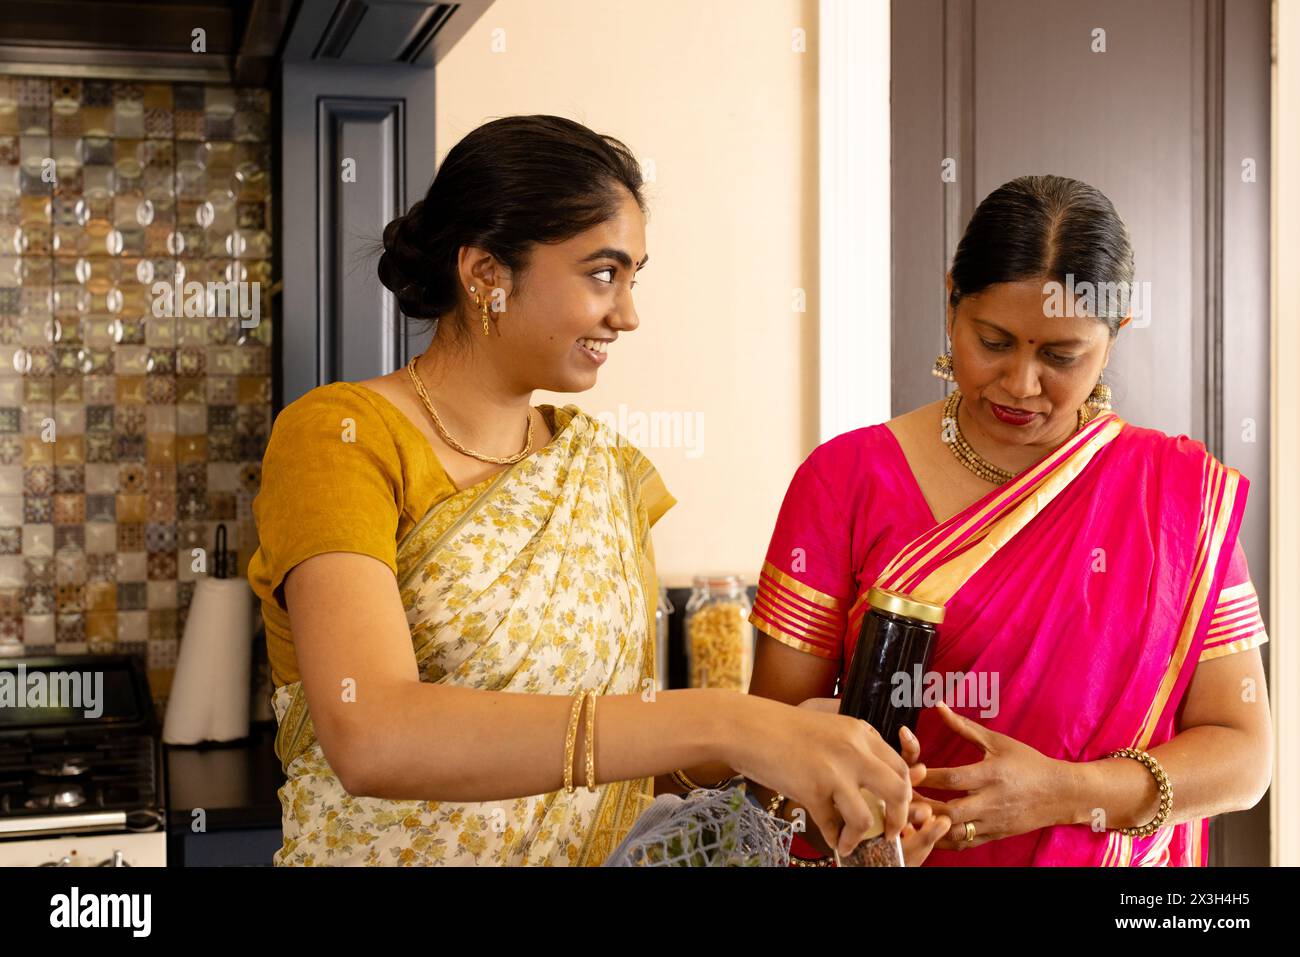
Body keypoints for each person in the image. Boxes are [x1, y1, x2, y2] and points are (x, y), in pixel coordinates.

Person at [247, 115, 924, 865]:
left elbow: (631, 774)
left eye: (635, 277)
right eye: (602, 273)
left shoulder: (602, 469)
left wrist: (797, 751)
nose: (627, 314)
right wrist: (731, 722)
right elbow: (371, 733)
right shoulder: (341, 436)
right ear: (485, 276)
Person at [731, 175, 1273, 866]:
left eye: (1060, 355)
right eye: (994, 341)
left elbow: (1244, 754)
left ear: (1114, 337)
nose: (1020, 383)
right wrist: (860, 809)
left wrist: (1070, 791)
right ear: (951, 302)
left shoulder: (1175, 496)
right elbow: (768, 757)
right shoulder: (844, 478)